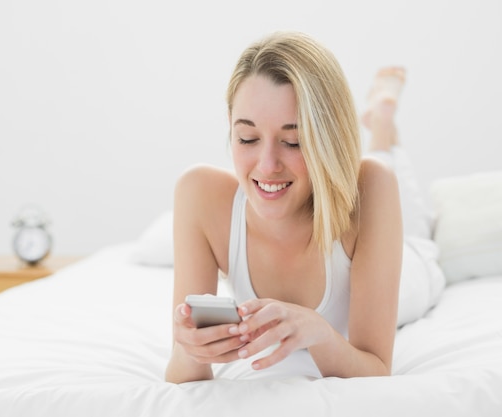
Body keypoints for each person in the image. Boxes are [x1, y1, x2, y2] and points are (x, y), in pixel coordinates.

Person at [165, 31, 444, 384]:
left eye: (293, 142)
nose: (267, 166)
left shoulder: (371, 186)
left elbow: (376, 368)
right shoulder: (198, 192)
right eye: (247, 138)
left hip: (410, 273)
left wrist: (320, 334)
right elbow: (181, 377)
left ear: (328, 138)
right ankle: (380, 122)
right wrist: (189, 349)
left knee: (419, 233)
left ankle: (383, 126)